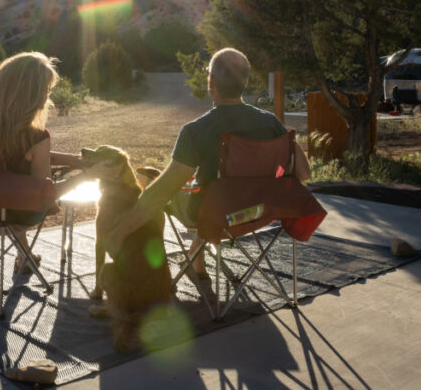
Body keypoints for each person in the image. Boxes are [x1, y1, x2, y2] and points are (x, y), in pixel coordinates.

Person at [105, 48, 311, 279]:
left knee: (160, 186)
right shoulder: (270, 123)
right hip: (258, 212)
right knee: (210, 189)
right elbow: (303, 173)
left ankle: (162, 270)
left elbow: (163, 191)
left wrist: (118, 233)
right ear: (245, 82)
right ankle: (197, 260)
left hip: (215, 216)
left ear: (211, 82)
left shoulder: (196, 131)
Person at [0, 51, 115, 272]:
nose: (47, 97)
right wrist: (86, 176)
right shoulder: (36, 137)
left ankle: (24, 256)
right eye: (45, 90)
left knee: (12, 185)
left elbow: (11, 159)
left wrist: (72, 160)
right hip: (13, 213)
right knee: (20, 193)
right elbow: (46, 194)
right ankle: (25, 256)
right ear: (32, 95)